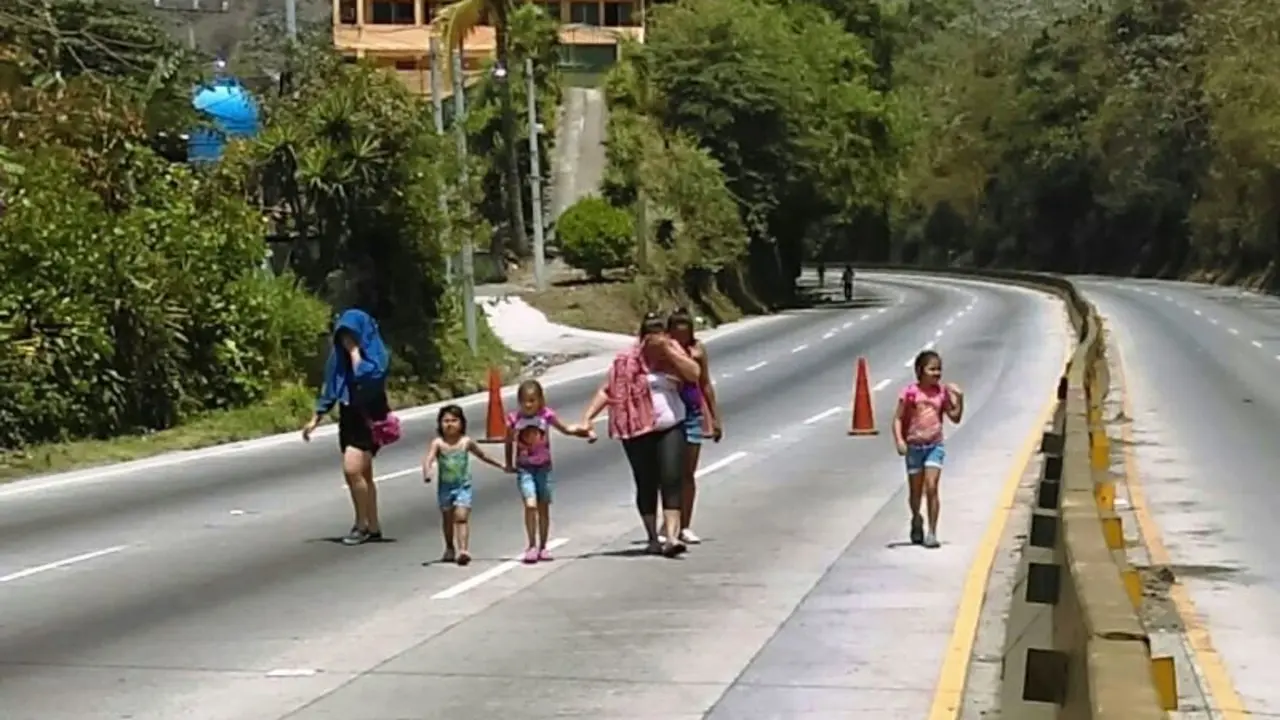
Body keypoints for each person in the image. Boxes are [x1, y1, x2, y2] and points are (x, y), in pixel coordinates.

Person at [580, 312, 703, 557]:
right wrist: (588, 417)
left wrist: (667, 351)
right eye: (650, 333)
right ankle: (652, 538)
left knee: (672, 478)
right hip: (636, 430)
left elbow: (694, 374)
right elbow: (608, 389)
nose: (654, 338)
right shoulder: (626, 360)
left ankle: (670, 537)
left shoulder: (674, 353)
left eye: (659, 332)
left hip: (670, 425)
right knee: (646, 482)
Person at [302, 308, 393, 546]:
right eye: (343, 335)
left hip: (370, 416)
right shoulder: (337, 357)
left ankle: (360, 524)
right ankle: (373, 526)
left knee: (352, 469)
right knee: (363, 474)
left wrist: (355, 353)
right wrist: (316, 418)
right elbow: (332, 386)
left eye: (351, 334)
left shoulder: (376, 353)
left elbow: (368, 377)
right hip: (349, 415)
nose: (346, 339)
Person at [504, 380, 593, 564]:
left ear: (540, 400)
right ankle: (531, 545)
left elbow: (567, 429)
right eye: (524, 401)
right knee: (530, 505)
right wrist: (508, 464)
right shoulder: (515, 419)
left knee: (543, 507)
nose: (528, 405)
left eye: (532, 400)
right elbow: (508, 442)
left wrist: (585, 432)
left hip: (544, 468)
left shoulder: (546, 416)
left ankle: (543, 546)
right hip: (525, 468)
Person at [892, 350, 964, 548]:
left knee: (931, 487)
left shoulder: (941, 393)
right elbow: (898, 418)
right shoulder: (910, 393)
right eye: (932, 369)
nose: (936, 373)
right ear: (920, 371)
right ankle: (916, 518)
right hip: (914, 447)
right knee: (915, 492)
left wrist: (959, 398)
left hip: (935, 446)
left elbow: (955, 417)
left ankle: (932, 532)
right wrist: (899, 440)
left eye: (939, 369)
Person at [664, 308, 722, 545]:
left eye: (685, 335)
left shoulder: (698, 350)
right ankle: (670, 523)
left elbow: (705, 383)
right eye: (676, 335)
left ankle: (685, 525)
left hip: (692, 413)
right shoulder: (664, 350)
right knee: (670, 473)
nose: (681, 340)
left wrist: (715, 418)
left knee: (687, 473)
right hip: (669, 413)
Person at [423, 404, 508, 566]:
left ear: (462, 423)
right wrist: (427, 472)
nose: (449, 424)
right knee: (447, 519)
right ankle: (449, 547)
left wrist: (502, 465)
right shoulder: (438, 443)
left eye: (454, 420)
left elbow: (483, 455)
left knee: (461, 517)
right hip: (445, 488)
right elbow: (429, 459)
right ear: (440, 424)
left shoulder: (465, 442)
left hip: (463, 486)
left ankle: (463, 550)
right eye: (445, 421)